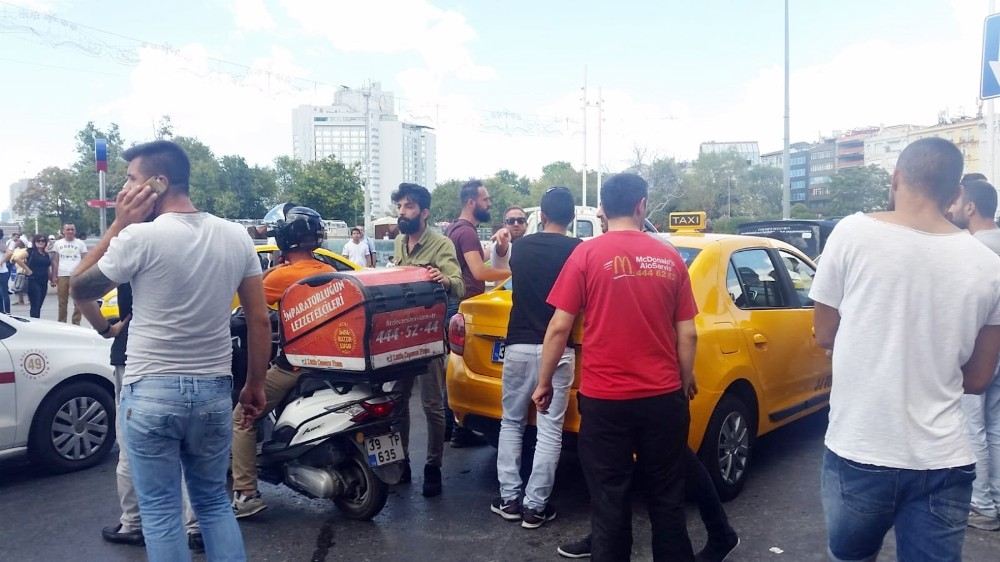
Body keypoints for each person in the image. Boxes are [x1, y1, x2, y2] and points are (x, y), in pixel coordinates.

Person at [70, 139, 271, 562]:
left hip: (151, 393)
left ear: (158, 183)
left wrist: (117, 225)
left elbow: (79, 285)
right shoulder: (236, 236)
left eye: (131, 180)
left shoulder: (139, 237)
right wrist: (254, 384)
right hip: (215, 392)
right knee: (215, 504)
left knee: (161, 512)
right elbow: (258, 319)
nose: (125, 189)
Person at [811, 138, 1000, 562]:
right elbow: (979, 379)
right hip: (945, 460)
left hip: (860, 449)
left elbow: (824, 333)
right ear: (955, 195)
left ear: (895, 179)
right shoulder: (989, 266)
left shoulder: (852, 233)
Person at [533, 173, 698, 561]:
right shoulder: (670, 258)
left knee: (609, 503)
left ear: (603, 209)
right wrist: (684, 380)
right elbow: (688, 334)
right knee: (667, 500)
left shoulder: (586, 255)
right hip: (662, 398)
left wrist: (544, 382)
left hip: (605, 401)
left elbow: (559, 326)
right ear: (642, 205)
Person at [231, 206, 335, 519]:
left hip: (297, 365)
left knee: (242, 417)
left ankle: (246, 493)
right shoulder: (329, 269)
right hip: (334, 361)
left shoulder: (281, 276)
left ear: (284, 238)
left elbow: (248, 304)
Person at [87, 283, 204, 552]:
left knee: (130, 446)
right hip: (192, 357)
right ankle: (196, 527)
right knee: (190, 448)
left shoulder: (134, 245)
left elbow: (83, 289)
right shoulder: (202, 246)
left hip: (136, 357)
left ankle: (133, 523)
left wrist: (108, 329)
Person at [492, 187, 579, 529]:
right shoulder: (579, 251)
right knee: (550, 430)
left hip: (518, 346)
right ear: (571, 218)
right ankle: (535, 507)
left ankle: (509, 499)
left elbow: (497, 270)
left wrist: (501, 248)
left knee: (511, 422)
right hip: (559, 350)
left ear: (540, 216)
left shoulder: (521, 247)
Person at [392, 182, 464, 497]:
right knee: (397, 401)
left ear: (424, 212)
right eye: (399, 206)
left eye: (408, 207)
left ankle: (433, 466)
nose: (402, 212)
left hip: (430, 336)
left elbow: (459, 285)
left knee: (432, 404)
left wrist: (443, 278)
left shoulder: (441, 244)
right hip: (397, 338)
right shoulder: (398, 242)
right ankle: (402, 461)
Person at [947, 177, 1000, 532]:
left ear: (970, 207)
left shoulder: (972, 251)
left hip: (980, 349)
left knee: (973, 427)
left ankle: (982, 506)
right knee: (996, 427)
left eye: (957, 203)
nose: (951, 209)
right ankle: (995, 496)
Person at [446, 180, 511, 447]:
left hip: (451, 303)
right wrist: (518, 273)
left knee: (454, 366)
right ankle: (458, 431)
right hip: (463, 303)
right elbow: (480, 273)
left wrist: (491, 247)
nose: (489, 204)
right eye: (486, 200)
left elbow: (472, 260)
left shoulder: (455, 229)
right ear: (472, 202)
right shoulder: (468, 232)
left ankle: (454, 428)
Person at [52, 223, 87, 324]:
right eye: (68, 229)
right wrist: (54, 276)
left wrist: (84, 274)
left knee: (78, 301)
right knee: (62, 301)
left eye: (72, 229)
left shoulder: (80, 243)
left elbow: (85, 259)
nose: (70, 231)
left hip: (77, 275)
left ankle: (76, 322)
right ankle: (62, 322)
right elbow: (55, 261)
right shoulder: (58, 244)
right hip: (62, 274)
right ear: (63, 231)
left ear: (75, 231)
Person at [14, 235, 55, 318]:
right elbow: (17, 258)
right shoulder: (30, 251)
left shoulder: (46, 254)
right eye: (38, 241)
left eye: (43, 241)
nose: (41, 242)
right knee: (35, 304)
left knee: (39, 304)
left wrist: (51, 279)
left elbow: (47, 267)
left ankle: (36, 321)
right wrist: (27, 270)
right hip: (33, 281)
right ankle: (34, 322)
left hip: (44, 281)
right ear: (34, 242)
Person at [10, 238, 27, 306]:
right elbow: (12, 258)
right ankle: (20, 300)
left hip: (24, 269)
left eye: (19, 241)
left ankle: (27, 300)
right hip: (17, 269)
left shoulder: (25, 250)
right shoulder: (16, 250)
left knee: (24, 285)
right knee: (18, 285)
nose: (17, 242)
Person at [0, 229, 10, 314]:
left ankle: (6, 313)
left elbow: (9, 253)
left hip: (2, 272)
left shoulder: (1, 244)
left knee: (3, 294)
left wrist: (2, 261)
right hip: (3, 272)